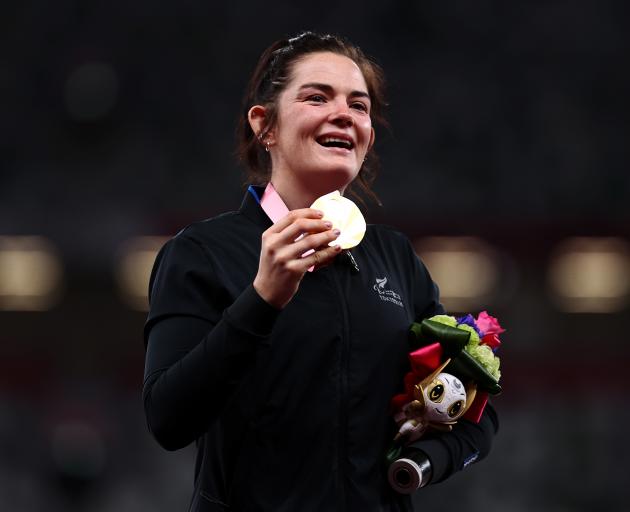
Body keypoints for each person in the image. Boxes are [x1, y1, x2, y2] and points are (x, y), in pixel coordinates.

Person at [143, 31, 499, 511]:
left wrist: (423, 461)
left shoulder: (395, 258)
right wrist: (262, 299)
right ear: (264, 125)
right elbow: (168, 419)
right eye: (317, 97)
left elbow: (474, 406)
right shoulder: (202, 253)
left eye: (360, 105)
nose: (344, 114)